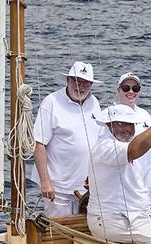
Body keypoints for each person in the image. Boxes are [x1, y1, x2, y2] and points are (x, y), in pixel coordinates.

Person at [86, 102, 151, 244]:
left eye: (131, 125)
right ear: (109, 125)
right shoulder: (108, 147)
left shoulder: (111, 146)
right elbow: (135, 149)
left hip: (117, 218)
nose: (128, 129)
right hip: (115, 220)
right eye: (121, 124)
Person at [32, 61, 104, 217]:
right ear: (68, 80)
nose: (81, 86)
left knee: (84, 236)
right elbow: (39, 144)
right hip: (58, 189)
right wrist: (45, 183)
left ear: (91, 85)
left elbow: (99, 143)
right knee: (58, 235)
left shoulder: (94, 103)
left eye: (86, 83)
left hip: (88, 189)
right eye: (76, 81)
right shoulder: (51, 102)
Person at [114, 72, 151, 175]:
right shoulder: (108, 116)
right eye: (126, 88)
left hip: (144, 181)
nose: (131, 91)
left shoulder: (146, 116)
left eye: (135, 88)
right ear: (118, 90)